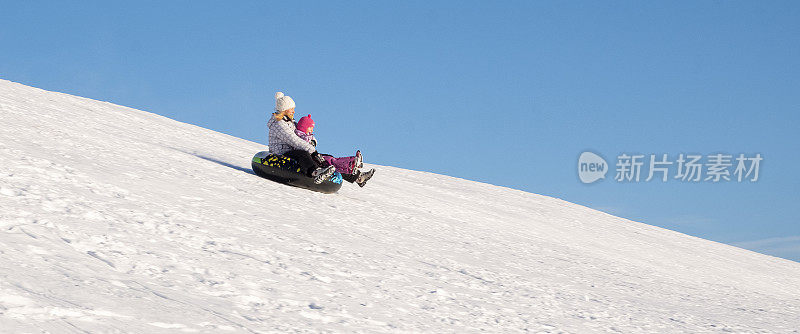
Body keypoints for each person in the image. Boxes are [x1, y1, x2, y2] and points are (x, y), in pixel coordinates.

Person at [267, 92, 335, 184]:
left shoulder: (291, 123)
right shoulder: (278, 124)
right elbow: (294, 140)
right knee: (303, 154)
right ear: (285, 109)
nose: (294, 111)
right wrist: (312, 151)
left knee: (325, 157)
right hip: (281, 154)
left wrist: (312, 142)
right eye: (292, 109)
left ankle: (351, 174)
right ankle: (315, 172)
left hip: (293, 151)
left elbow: (303, 134)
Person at [293, 114, 375, 187]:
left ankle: (358, 175)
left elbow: (312, 142)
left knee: (330, 159)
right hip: (307, 157)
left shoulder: (306, 135)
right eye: (310, 128)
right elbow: (302, 146)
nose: (312, 130)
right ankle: (351, 163)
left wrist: (313, 142)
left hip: (312, 154)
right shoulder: (299, 135)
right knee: (330, 162)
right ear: (304, 127)